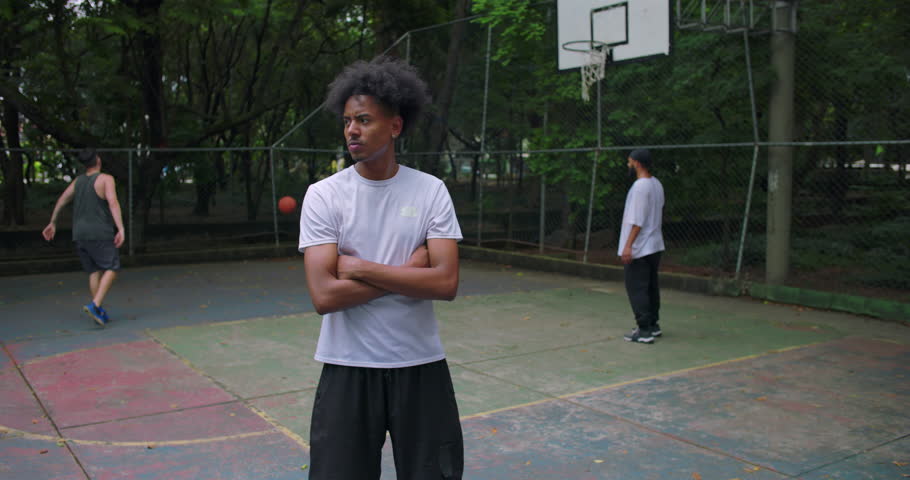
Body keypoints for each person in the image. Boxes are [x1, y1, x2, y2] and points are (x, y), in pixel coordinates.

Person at [298, 56, 464, 479]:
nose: (352, 129)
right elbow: (324, 296)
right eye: (348, 120)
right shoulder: (324, 196)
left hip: (420, 365)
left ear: (395, 126)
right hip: (347, 367)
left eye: (365, 120)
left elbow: (445, 283)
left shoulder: (431, 191)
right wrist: (409, 273)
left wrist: (359, 267)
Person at [42, 148, 125, 327]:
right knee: (112, 267)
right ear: (98, 160)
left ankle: (98, 310)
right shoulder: (106, 179)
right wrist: (121, 228)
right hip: (99, 232)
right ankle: (95, 305)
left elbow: (62, 200)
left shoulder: (78, 181)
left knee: (94, 270)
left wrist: (53, 221)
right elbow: (113, 202)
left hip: (79, 234)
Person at [619, 148, 665, 344]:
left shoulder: (639, 187)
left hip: (640, 247)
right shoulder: (656, 184)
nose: (628, 165)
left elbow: (637, 221)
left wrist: (628, 246)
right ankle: (653, 325)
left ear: (637, 163)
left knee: (637, 288)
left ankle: (644, 330)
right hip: (654, 245)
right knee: (651, 287)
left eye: (629, 162)